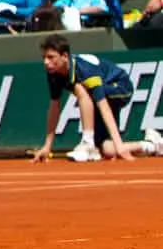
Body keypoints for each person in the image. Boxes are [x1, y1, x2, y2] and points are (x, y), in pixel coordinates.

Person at [31, 34, 163, 164]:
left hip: (120, 87)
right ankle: (153, 144)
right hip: (98, 96)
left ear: (65, 56)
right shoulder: (53, 74)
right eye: (44, 58)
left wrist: (119, 143)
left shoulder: (85, 71)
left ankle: (88, 142)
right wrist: (47, 146)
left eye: (50, 57)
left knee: (79, 87)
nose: (46, 62)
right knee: (107, 149)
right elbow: (54, 108)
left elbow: (103, 106)